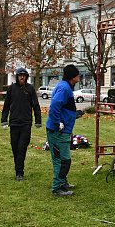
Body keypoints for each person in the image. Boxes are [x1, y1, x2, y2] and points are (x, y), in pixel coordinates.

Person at [1, 67, 42, 181]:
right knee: (15, 148)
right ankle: (17, 170)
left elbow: (36, 105)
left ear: (26, 77)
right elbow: (6, 106)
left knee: (22, 148)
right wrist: (4, 119)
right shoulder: (11, 89)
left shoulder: (30, 89)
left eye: (24, 75)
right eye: (20, 75)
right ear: (17, 76)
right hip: (14, 123)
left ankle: (20, 172)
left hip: (26, 124)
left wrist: (38, 120)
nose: (22, 77)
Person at [46, 64, 80, 197]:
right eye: (77, 76)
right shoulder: (64, 88)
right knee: (61, 160)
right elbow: (54, 105)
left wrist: (74, 114)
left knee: (65, 159)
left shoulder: (65, 87)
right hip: (57, 131)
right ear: (72, 77)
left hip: (62, 130)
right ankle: (57, 188)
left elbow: (64, 107)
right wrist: (57, 123)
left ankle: (63, 183)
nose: (79, 78)